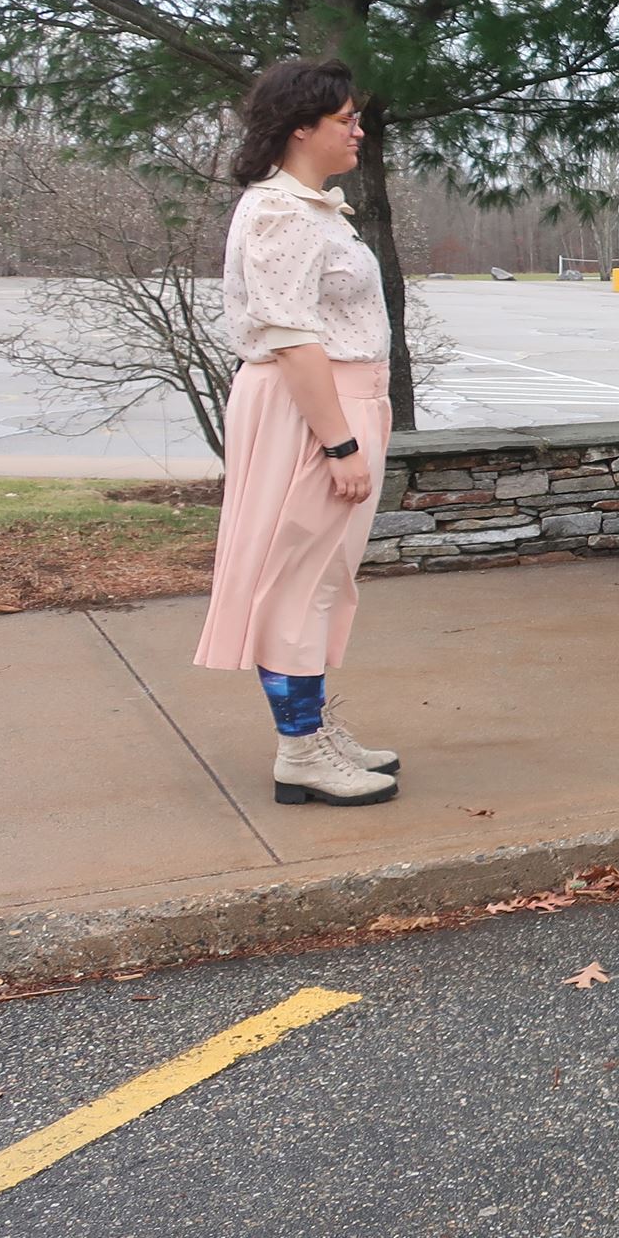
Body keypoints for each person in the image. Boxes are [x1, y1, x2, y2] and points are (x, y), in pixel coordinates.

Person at [193, 59, 402, 805]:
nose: (359, 130)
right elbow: (290, 338)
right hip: (311, 408)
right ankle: (300, 750)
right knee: (296, 581)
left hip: (340, 401)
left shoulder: (312, 210)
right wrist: (339, 443)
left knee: (322, 577)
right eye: (346, 119)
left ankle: (309, 728)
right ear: (300, 128)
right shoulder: (279, 213)